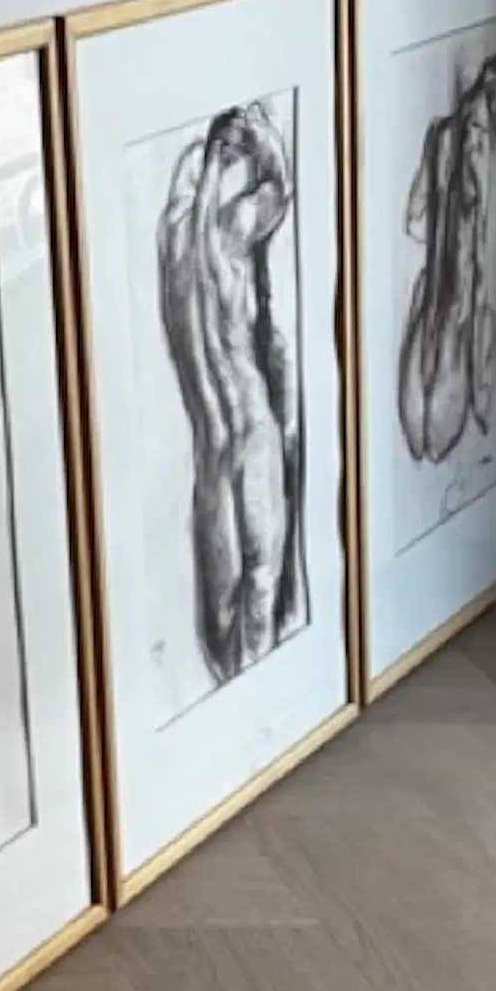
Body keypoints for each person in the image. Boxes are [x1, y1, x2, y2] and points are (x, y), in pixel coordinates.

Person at [155, 100, 304, 686]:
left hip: (211, 453)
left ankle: (236, 700)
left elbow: (184, 187)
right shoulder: (231, 232)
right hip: (252, 431)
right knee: (261, 579)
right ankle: (265, 701)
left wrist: (213, 154)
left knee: (219, 623)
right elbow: (280, 188)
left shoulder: (172, 243)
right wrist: (261, 135)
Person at [398, 45, 496, 470]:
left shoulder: (459, 144)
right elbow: (414, 222)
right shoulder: (450, 141)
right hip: (449, 296)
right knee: (429, 425)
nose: (477, 140)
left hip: (456, 298)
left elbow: (415, 221)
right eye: (476, 127)